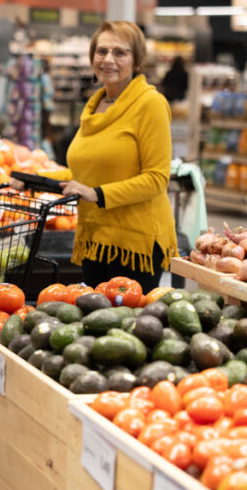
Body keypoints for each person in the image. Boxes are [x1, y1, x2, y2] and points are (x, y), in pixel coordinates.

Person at [11, 21, 178, 290]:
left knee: (123, 328)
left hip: (133, 243)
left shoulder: (150, 104)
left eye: (120, 52)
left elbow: (157, 178)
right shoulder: (95, 106)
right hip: (95, 238)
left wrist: (97, 194)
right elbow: (81, 176)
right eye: (101, 52)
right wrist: (33, 178)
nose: (108, 60)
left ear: (136, 61)